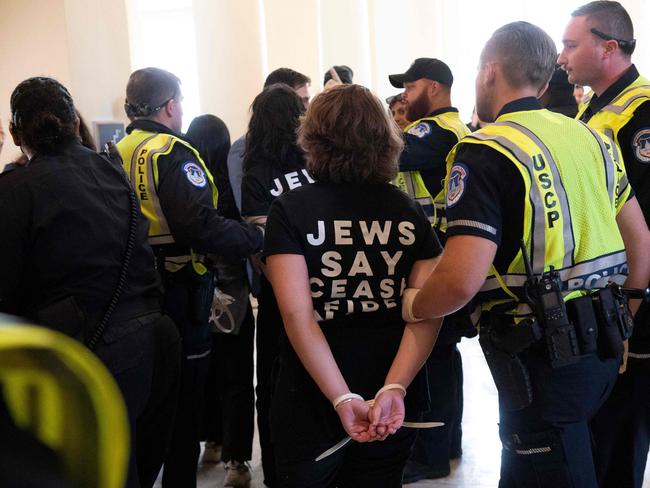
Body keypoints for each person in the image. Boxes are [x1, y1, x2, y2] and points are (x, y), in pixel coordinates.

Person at [402, 21, 650, 488]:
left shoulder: (483, 149)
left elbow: (459, 279)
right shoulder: (591, 138)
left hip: (540, 361)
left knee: (550, 470)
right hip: (603, 345)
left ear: (489, 71)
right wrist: (628, 313)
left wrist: (415, 304)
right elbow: (639, 237)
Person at [0, 76, 182, 488]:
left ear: (15, 132)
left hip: (94, 352)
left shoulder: (15, 191)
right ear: (73, 121)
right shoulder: (111, 169)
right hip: (156, 338)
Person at [264, 83, 443, 488]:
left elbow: (297, 315)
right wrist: (394, 387)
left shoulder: (290, 209)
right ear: (385, 139)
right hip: (392, 390)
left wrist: (341, 397)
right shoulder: (406, 209)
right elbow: (426, 311)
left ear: (313, 139)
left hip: (311, 392)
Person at [116, 67, 264, 488]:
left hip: (133, 293)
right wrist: (254, 236)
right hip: (182, 290)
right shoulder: (171, 152)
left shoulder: (116, 150)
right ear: (169, 106)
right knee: (182, 406)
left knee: (145, 403)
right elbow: (200, 225)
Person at [557, 2, 650, 486]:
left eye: (572, 45)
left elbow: (645, 220)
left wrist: (632, 305)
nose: (561, 55)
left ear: (608, 47)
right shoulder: (591, 107)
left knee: (621, 431)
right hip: (605, 296)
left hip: (635, 299)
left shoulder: (642, 109)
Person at [388, 57, 471, 482]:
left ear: (434, 87)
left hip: (436, 259)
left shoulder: (434, 131)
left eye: (410, 85)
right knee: (443, 355)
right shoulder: (451, 129)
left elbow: (386, 157)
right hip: (444, 255)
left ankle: (431, 453)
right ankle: (448, 441)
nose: (404, 94)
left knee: (431, 358)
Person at [241, 83, 311, 487]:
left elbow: (261, 247)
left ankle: (274, 469)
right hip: (320, 289)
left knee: (269, 381)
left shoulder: (256, 171)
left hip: (278, 293)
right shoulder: (316, 161)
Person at [186, 114, 256, 488]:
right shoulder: (232, 183)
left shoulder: (184, 181)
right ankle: (237, 461)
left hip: (192, 294)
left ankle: (210, 441)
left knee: (202, 373)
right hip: (234, 298)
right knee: (236, 377)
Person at [228, 68, 311, 213]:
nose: (307, 108)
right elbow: (247, 208)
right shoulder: (243, 147)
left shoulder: (309, 144)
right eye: (302, 101)